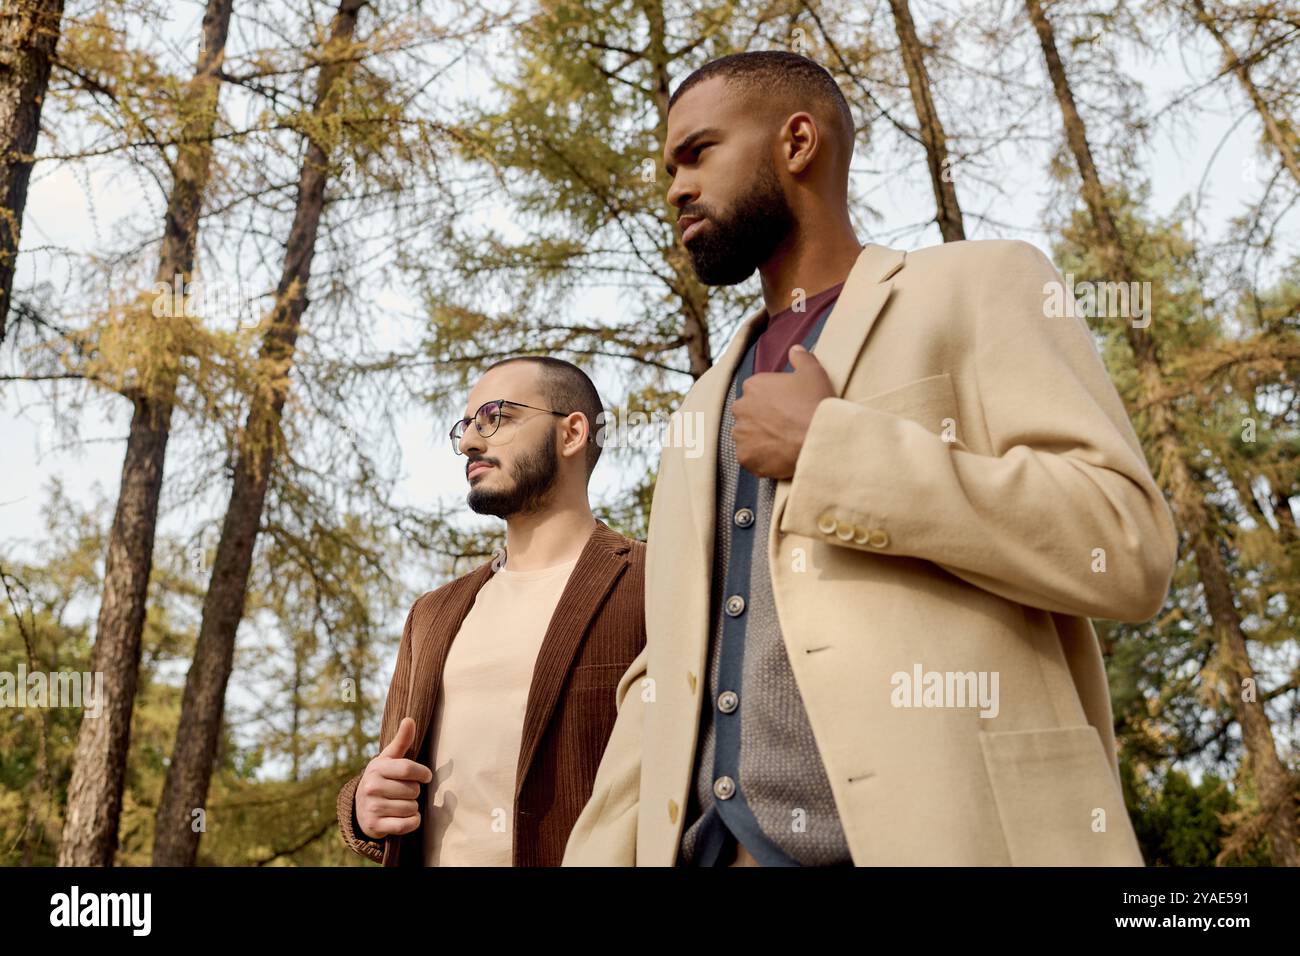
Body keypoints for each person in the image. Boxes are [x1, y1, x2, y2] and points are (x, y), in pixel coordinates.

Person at [562, 50, 1177, 867]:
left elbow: (1125, 543)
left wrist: (835, 452)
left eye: (698, 152)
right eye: (669, 166)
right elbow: (669, 665)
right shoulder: (701, 405)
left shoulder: (982, 283)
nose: (674, 187)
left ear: (798, 142)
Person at [337, 356, 645, 866]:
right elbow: (388, 780)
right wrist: (363, 805)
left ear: (571, 433)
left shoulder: (652, 583)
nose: (469, 443)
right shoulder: (432, 615)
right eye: (466, 427)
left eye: (495, 417)